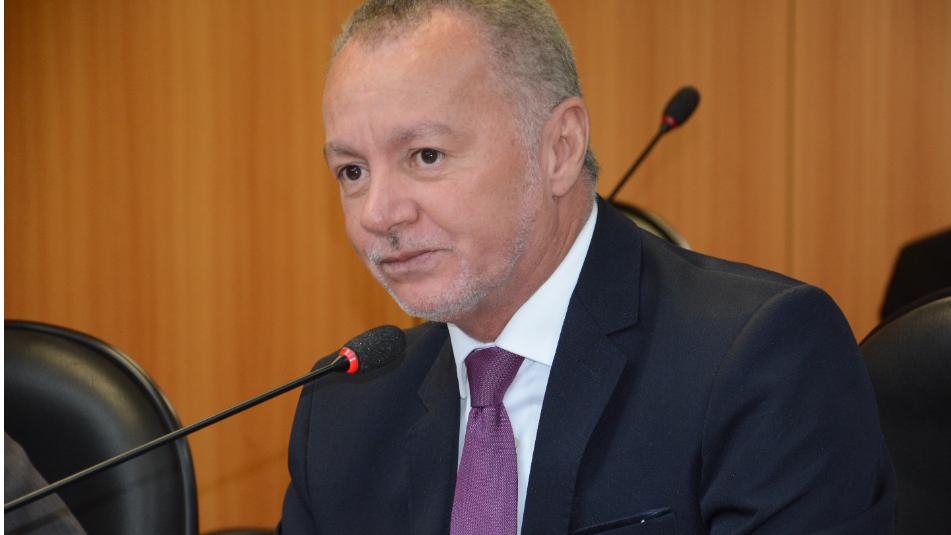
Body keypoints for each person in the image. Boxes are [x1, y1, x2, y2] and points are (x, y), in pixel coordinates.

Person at [280, 1, 895, 533]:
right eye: (352, 171)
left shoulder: (760, 359)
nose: (379, 213)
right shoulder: (344, 411)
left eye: (426, 155)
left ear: (560, 148)